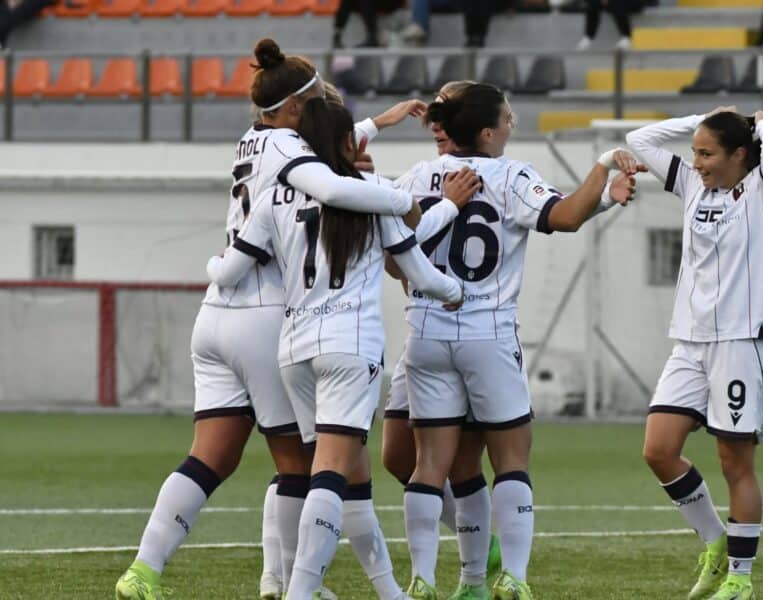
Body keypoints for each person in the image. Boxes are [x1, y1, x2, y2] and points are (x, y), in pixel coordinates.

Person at [113, 38, 425, 600]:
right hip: (266, 315)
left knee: (211, 457)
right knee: (305, 465)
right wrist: (398, 197)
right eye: (317, 102)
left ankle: (144, 570)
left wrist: (378, 123)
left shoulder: (252, 139)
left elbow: (327, 152)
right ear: (296, 110)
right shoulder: (290, 148)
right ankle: (285, 584)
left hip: (216, 317)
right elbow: (331, 181)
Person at [205, 96, 480, 600]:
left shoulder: (274, 197)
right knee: (332, 472)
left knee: (347, 474)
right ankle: (300, 591)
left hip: (294, 348)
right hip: (349, 346)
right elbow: (417, 269)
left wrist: (211, 265)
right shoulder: (371, 191)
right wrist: (455, 291)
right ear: (350, 141)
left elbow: (229, 269)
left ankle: (386, 590)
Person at [396, 82, 640, 600]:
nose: (513, 125)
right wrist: (601, 168)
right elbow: (566, 216)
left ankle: (423, 579)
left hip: (424, 330)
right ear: (487, 132)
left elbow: (396, 258)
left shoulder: (416, 177)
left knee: (432, 464)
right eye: (507, 118)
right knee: (511, 459)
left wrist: (603, 202)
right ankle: (515, 577)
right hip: (487, 330)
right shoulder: (510, 176)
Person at [626, 106, 763, 600]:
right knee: (658, 449)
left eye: (706, 152)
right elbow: (640, 139)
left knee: (733, 462)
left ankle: (741, 579)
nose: (695, 162)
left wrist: (761, 122)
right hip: (691, 341)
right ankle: (715, 541)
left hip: (743, 342)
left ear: (739, 154)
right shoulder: (694, 187)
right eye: (694, 152)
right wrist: (703, 117)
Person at [380, 79, 505, 599]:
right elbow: (393, 261)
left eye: (444, 114)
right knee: (396, 456)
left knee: (460, 461)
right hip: (423, 332)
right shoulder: (415, 179)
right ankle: (478, 541)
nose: (435, 124)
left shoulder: (495, 176)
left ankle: (474, 572)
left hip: (472, 330)